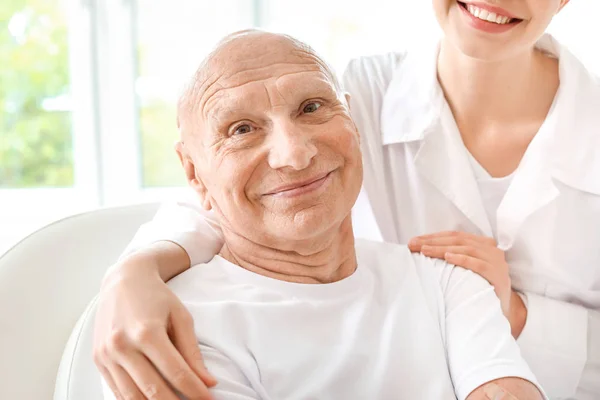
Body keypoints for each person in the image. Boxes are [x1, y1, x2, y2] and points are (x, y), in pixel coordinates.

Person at [94, 0, 600, 399]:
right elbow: (230, 191)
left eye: (312, 109)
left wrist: (513, 315)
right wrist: (132, 272)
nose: (292, 153)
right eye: (246, 128)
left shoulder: (448, 290)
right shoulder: (363, 90)